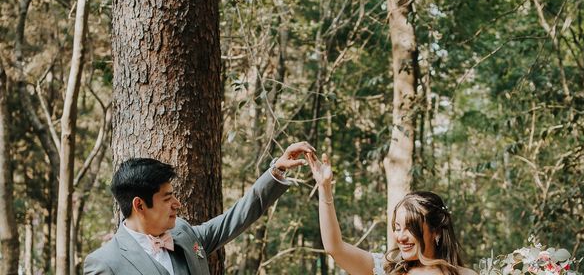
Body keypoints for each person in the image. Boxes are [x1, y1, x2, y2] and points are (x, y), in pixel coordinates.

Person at [84, 141, 315, 275]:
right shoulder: (105, 264)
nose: (177, 204)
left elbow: (236, 218)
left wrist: (276, 171)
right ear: (139, 205)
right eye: (167, 199)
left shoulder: (184, 233)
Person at [306, 152, 477, 275]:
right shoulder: (385, 268)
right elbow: (334, 248)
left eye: (410, 228)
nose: (400, 237)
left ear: (437, 231)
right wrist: (324, 188)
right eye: (397, 227)